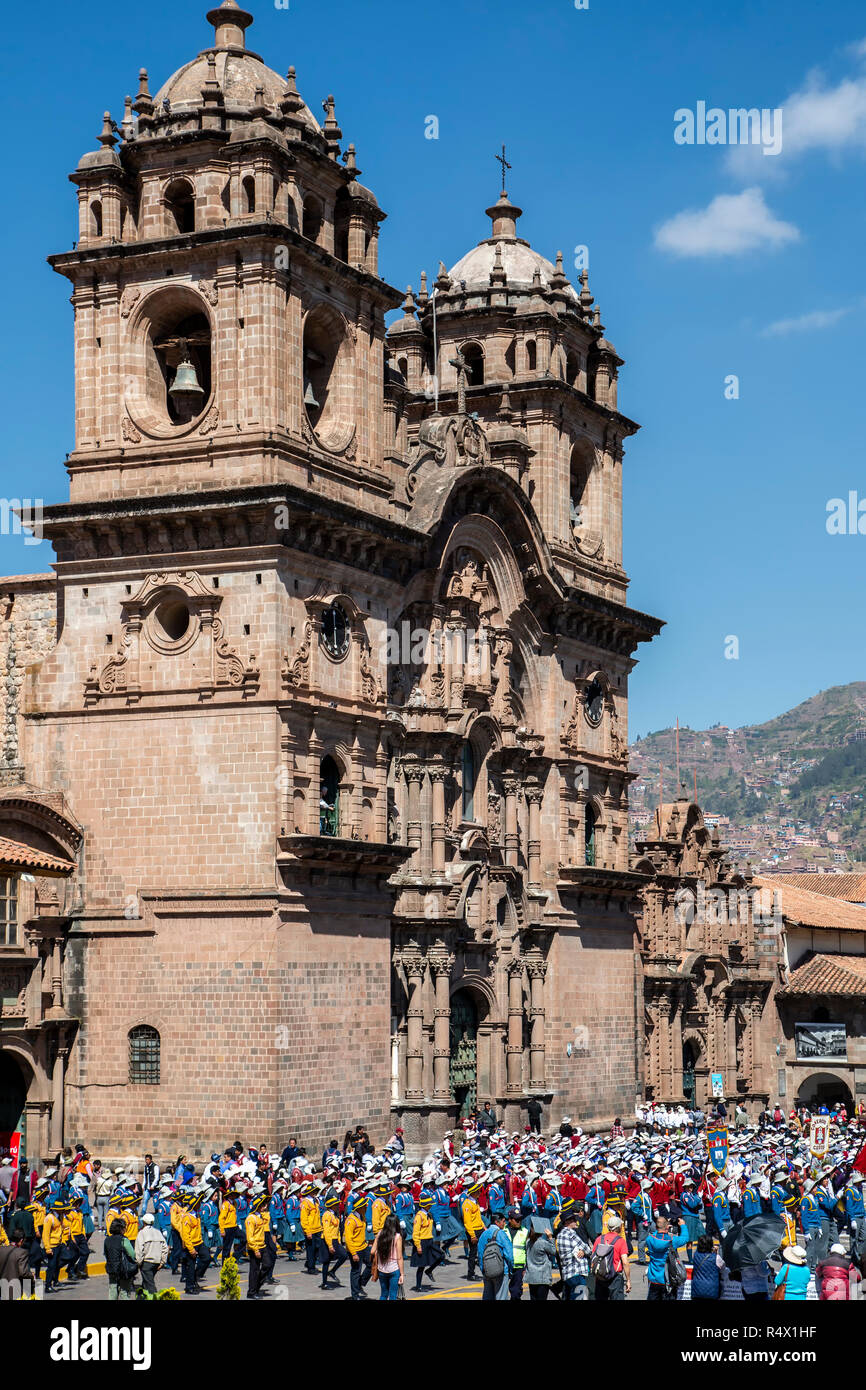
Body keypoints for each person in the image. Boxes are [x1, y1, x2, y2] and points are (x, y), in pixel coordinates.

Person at [591, 1212, 631, 1300]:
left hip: (600, 1276)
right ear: (618, 1227)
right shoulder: (620, 1241)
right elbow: (625, 1262)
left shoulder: (599, 1239)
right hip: (615, 1277)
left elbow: (593, 1257)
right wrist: (628, 1280)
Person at [555, 1199, 590, 1300]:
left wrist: (582, 1251)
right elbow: (587, 1249)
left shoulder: (561, 1234)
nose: (576, 1221)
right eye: (574, 1220)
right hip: (576, 1272)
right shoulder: (571, 1234)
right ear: (568, 1222)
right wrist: (584, 1251)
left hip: (567, 1273)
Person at [477, 1209, 514, 1300]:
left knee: (488, 1297)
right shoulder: (501, 1233)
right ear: (497, 1222)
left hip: (487, 1271)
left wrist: (484, 1270)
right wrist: (511, 1269)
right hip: (501, 1271)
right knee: (501, 1297)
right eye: (503, 1221)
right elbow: (509, 1254)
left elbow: (480, 1254)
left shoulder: (483, 1235)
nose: (504, 1224)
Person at [372, 1212, 404, 1300]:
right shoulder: (397, 1237)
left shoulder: (380, 1234)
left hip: (382, 1268)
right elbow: (399, 1257)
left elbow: (372, 1251)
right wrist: (402, 1274)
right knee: (393, 1295)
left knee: (383, 1294)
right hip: (393, 1268)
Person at [135, 1213, 168, 1298]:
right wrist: (162, 1261)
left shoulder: (142, 1233)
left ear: (144, 1222)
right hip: (156, 1262)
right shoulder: (158, 1232)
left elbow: (139, 1250)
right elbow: (165, 1248)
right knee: (146, 1282)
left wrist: (138, 1262)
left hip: (146, 1263)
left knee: (150, 1285)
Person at [524, 1216, 558, 1300]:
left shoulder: (528, 1242)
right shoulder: (543, 1243)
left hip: (532, 1276)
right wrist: (550, 1237)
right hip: (542, 1277)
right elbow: (554, 1251)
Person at [105, 1217, 137, 1300]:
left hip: (111, 1268)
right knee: (124, 1291)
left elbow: (106, 1254)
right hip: (123, 1269)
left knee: (112, 1291)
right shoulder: (124, 1240)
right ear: (121, 1228)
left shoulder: (107, 1240)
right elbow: (132, 1254)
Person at [0, 1231, 33, 1300]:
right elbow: (24, 1273)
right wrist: (31, 1275)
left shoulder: (1, 1250)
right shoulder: (22, 1252)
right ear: (21, 1240)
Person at [691, 1234, 722, 1300]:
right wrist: (716, 1253)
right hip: (712, 1291)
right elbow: (722, 1267)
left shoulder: (695, 1255)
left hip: (697, 1289)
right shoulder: (716, 1257)